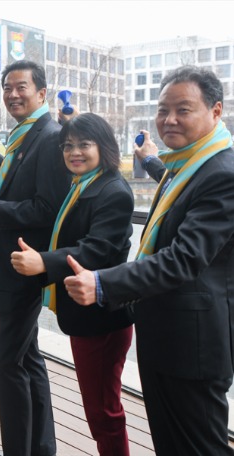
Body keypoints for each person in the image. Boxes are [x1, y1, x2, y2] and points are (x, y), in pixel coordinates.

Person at [64, 66, 234, 455]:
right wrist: (153, 161)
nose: (169, 119)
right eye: (162, 110)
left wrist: (103, 283)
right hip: (165, 335)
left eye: (183, 109)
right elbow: (180, 189)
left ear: (216, 111)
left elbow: (184, 258)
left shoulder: (222, 173)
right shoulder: (187, 165)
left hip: (193, 347)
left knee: (199, 447)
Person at [10, 113, 134, 456]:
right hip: (88, 315)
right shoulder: (84, 184)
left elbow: (96, 249)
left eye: (84, 144)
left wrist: (43, 262)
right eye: (67, 146)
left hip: (103, 318)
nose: (74, 152)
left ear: (104, 146)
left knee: (104, 412)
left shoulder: (113, 191)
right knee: (99, 407)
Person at [0, 61, 69, 456]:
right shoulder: (28, 133)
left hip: (26, 265)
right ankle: (40, 448)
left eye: (21, 87)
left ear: (42, 92)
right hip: (11, 264)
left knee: (8, 362)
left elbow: (48, 207)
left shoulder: (51, 136)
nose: (12, 94)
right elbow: (21, 179)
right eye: (7, 87)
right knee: (28, 358)